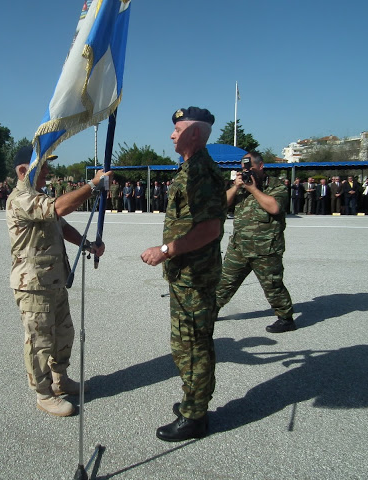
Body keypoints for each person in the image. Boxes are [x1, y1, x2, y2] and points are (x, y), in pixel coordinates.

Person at [7, 146, 112, 417]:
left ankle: (60, 379)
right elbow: (59, 207)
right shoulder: (21, 199)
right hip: (33, 285)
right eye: (42, 167)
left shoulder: (38, 197)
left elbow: (62, 226)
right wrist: (92, 185)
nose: (47, 171)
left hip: (54, 279)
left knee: (64, 333)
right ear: (23, 171)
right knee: (39, 340)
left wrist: (88, 244)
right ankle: (44, 394)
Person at [141, 106, 225, 442]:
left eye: (177, 129)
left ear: (193, 133)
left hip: (194, 276)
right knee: (192, 343)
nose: (171, 135)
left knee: (190, 346)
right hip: (187, 275)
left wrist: (164, 251)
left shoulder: (200, 172)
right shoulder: (191, 168)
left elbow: (210, 229)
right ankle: (195, 404)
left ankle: (195, 417)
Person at [216, 151, 296, 334]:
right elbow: (221, 205)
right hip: (240, 247)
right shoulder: (240, 186)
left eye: (250, 167)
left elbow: (274, 207)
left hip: (265, 248)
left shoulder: (276, 185)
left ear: (261, 166)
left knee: (272, 285)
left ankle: (286, 318)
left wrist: (253, 189)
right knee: (224, 282)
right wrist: (236, 187)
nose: (247, 171)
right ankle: (211, 311)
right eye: (244, 168)